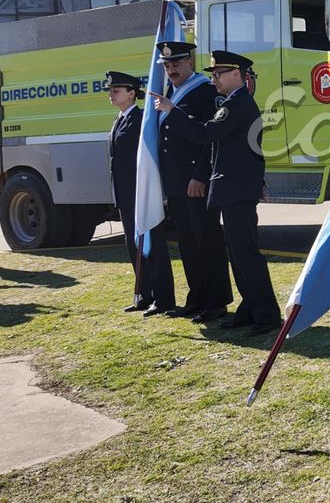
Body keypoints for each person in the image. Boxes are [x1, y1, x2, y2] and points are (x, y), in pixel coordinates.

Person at [152, 50, 280, 335]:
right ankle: (249, 308)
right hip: (232, 187)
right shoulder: (232, 102)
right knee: (237, 254)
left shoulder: (239, 104)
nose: (214, 79)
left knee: (246, 254)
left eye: (219, 74)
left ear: (238, 75)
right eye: (213, 74)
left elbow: (206, 133)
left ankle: (267, 314)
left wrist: (174, 111)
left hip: (237, 188)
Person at [154, 41, 232, 322]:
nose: (171, 70)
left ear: (190, 62)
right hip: (176, 182)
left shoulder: (204, 92)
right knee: (188, 244)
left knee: (207, 241)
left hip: (195, 181)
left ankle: (217, 300)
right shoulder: (170, 92)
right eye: (167, 66)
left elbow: (208, 140)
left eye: (176, 64)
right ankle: (197, 297)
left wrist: (200, 175)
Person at [106, 71, 176, 315]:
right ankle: (144, 294)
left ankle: (163, 298)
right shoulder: (120, 119)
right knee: (134, 246)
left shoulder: (139, 120)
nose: (111, 95)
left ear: (132, 94)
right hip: (126, 197)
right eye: (110, 91)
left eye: (116, 91)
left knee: (152, 246)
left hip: (141, 195)